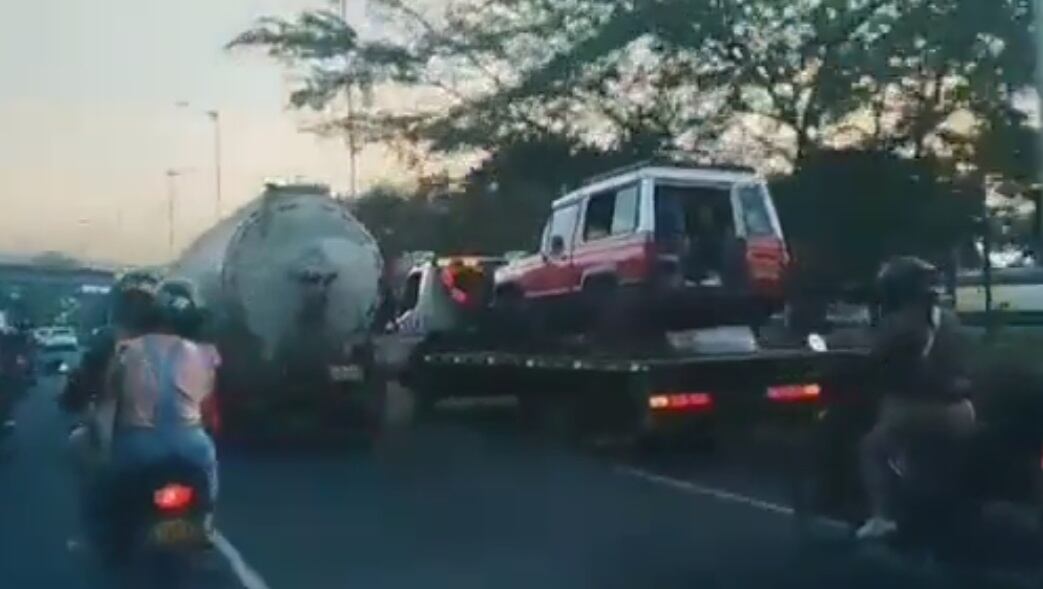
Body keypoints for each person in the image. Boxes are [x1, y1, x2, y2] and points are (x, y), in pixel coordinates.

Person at [856, 256, 976, 540]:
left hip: (924, 410)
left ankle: (881, 516)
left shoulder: (899, 323)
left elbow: (872, 357)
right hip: (963, 409)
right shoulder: (949, 319)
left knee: (871, 447)